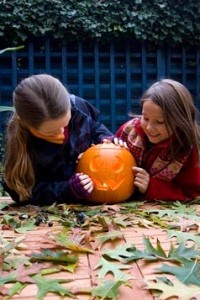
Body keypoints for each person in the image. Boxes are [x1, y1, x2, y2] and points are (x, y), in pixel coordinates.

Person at [2, 74, 114, 205]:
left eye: (66, 124)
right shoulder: (22, 144)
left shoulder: (78, 108)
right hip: (58, 210)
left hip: (95, 201)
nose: (62, 134)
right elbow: (21, 192)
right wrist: (67, 189)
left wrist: (105, 138)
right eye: (51, 133)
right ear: (27, 126)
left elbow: (94, 126)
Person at [115, 79, 200, 201]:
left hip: (163, 213)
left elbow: (191, 192)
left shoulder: (186, 149)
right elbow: (109, 160)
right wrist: (108, 146)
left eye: (160, 122)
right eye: (145, 118)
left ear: (179, 120)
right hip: (120, 204)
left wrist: (151, 186)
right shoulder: (128, 131)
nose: (150, 128)